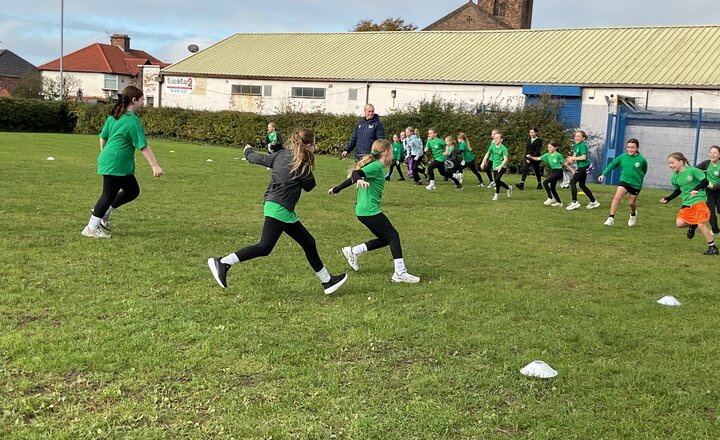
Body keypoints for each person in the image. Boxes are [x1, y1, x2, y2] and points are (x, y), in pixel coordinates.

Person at [207, 128, 349, 292]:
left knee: (309, 242)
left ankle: (327, 281)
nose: (315, 148)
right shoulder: (302, 164)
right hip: (280, 208)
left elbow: (257, 158)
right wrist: (308, 162)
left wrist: (248, 151)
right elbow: (310, 186)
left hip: (277, 206)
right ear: (309, 145)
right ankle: (223, 262)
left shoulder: (281, 155)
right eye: (314, 145)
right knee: (264, 247)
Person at [328, 139, 420, 283]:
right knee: (393, 236)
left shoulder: (376, 166)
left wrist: (337, 189)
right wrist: (358, 180)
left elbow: (354, 177)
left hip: (363, 211)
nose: (393, 155)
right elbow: (356, 173)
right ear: (386, 152)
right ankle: (400, 273)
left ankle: (353, 251)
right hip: (369, 211)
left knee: (386, 239)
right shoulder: (376, 166)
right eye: (392, 152)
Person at [81, 85, 163, 238]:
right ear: (134, 100)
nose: (143, 102)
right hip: (116, 163)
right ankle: (91, 228)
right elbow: (143, 146)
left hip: (114, 161)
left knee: (132, 191)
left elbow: (102, 137)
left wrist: (104, 153)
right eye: (142, 100)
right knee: (108, 195)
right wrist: (155, 165)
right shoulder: (132, 121)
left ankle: (104, 213)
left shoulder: (115, 116)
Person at [659, 152, 718, 255]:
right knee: (679, 224)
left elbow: (705, 182)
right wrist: (668, 198)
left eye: (672, 163)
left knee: (701, 224)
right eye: (669, 163)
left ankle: (712, 247)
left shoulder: (692, 171)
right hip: (687, 201)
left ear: (681, 162)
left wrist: (696, 189)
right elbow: (678, 190)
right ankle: (692, 224)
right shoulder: (674, 177)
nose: (670, 165)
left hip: (699, 199)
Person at [598, 138, 648, 226]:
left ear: (637, 148)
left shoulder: (642, 160)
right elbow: (612, 164)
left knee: (631, 203)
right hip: (624, 180)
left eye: (632, 147)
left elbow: (644, 170)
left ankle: (633, 214)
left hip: (636, 184)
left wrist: (638, 178)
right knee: (617, 197)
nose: (630, 149)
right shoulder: (622, 157)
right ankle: (611, 218)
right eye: (628, 147)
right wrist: (603, 174)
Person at [565, 130, 600, 210]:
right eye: (575, 136)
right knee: (582, 185)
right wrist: (569, 162)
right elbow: (574, 156)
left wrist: (572, 158)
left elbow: (584, 157)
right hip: (582, 166)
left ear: (583, 138)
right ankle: (594, 202)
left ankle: (575, 202)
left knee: (572, 182)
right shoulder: (576, 145)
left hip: (584, 166)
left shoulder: (583, 145)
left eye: (579, 136)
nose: (576, 138)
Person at [527, 141, 569, 207]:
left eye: (550, 147)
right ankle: (559, 203)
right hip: (553, 171)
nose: (549, 148)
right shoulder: (547, 154)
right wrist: (531, 157)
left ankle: (550, 198)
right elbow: (538, 158)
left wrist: (572, 170)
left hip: (559, 171)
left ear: (555, 148)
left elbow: (564, 163)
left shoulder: (558, 155)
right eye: (548, 147)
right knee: (552, 188)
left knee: (545, 182)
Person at [695, 145, 720, 234]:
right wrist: (702, 174)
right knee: (710, 211)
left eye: (715, 153)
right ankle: (715, 230)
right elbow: (694, 170)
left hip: (719, 190)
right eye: (710, 153)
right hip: (708, 191)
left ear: (719, 155)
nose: (712, 155)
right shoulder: (706, 163)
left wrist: (715, 186)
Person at [481, 131, 512, 201]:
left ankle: (496, 194)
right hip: (495, 166)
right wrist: (483, 162)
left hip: (502, 166)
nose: (495, 139)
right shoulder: (492, 146)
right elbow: (487, 154)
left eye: (497, 138)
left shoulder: (503, 148)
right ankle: (508, 187)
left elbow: (506, 159)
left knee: (497, 179)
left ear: (501, 140)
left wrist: (500, 166)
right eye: (495, 138)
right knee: (497, 181)